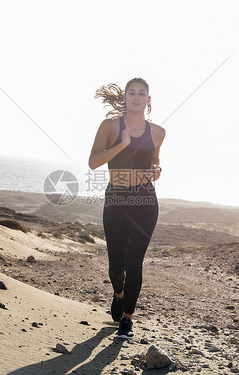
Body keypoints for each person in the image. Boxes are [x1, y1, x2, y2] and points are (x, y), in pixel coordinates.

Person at [88, 78, 166, 339]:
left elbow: (155, 161)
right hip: (116, 199)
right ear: (124, 98)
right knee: (116, 266)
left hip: (145, 200)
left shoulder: (157, 132)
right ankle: (118, 295)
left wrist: (157, 170)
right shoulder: (109, 126)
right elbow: (93, 162)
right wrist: (121, 144)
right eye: (131, 92)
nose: (136, 97)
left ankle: (127, 319)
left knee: (135, 263)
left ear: (148, 100)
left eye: (141, 93)